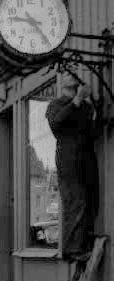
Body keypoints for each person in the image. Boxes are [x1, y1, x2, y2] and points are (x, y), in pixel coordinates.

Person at [45, 73, 100, 263]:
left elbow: (92, 133)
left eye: (77, 88)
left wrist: (97, 116)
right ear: (64, 89)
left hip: (86, 157)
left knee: (90, 201)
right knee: (75, 201)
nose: (75, 91)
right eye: (72, 88)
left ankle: (83, 243)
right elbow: (57, 122)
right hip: (68, 159)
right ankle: (72, 249)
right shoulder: (56, 105)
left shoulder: (85, 107)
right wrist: (77, 100)